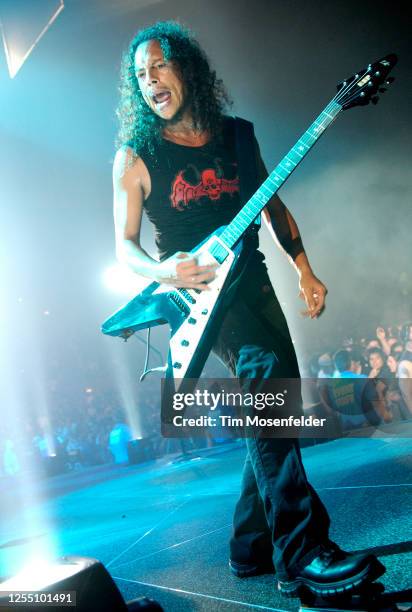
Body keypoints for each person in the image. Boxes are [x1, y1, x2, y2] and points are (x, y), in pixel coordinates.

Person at [112, 21, 383, 598]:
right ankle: (303, 552)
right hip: (200, 292)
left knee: (272, 405)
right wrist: (167, 269)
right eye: (140, 74)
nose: (150, 79)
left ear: (186, 68)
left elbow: (272, 203)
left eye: (158, 65)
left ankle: (250, 546)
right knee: (268, 394)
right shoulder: (136, 157)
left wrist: (303, 268)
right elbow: (125, 247)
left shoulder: (238, 136)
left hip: (253, 278)